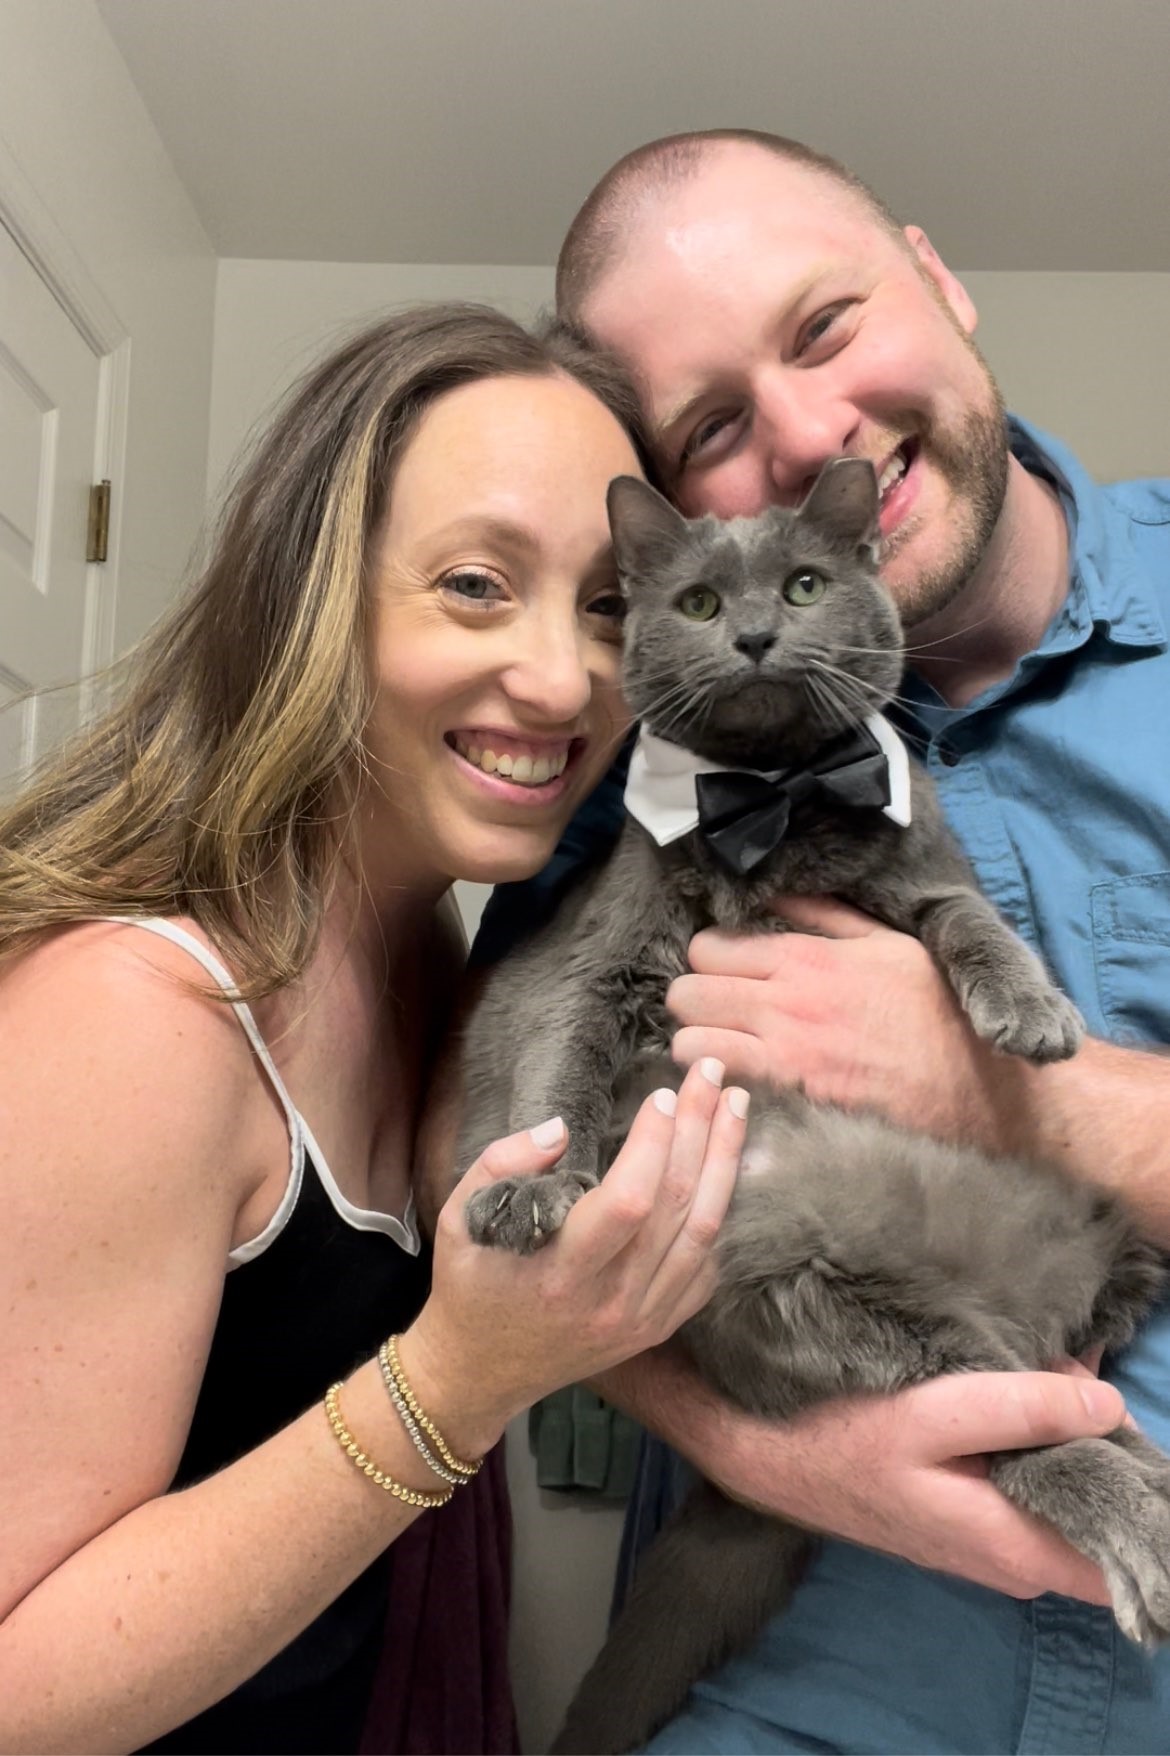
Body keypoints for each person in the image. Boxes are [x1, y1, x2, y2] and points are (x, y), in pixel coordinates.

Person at [477, 130, 1170, 1751]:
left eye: (825, 324)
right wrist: (765, 1449)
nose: (803, 432)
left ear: (937, 275)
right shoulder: (618, 782)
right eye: (710, 425)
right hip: (795, 1688)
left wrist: (1011, 1093)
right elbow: (482, 1172)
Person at [0, 302, 752, 1755]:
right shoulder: (136, 1014)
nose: (560, 679)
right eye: (475, 584)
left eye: (609, 606)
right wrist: (455, 1384)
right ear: (314, 599)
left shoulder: (429, 941)